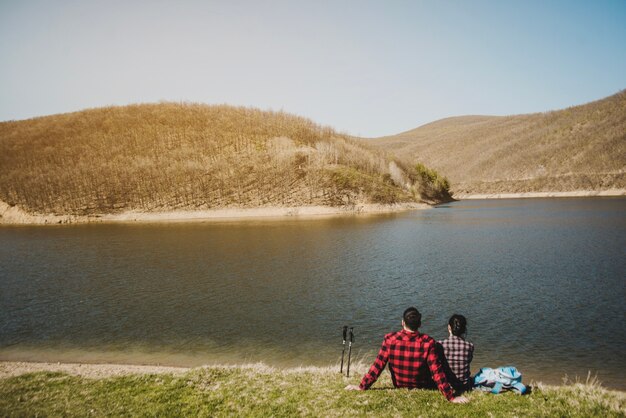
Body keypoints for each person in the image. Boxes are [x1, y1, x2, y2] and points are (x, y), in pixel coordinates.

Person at [345, 307, 469, 404]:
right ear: (420, 324)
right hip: (423, 385)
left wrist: (362, 386)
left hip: (399, 384)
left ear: (402, 323)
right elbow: (437, 373)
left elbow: (378, 366)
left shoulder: (390, 339)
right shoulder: (428, 342)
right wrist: (451, 397)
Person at [438, 314, 474, 392]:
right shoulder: (469, 346)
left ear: (449, 327)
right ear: (464, 329)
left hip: (447, 385)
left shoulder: (440, 345)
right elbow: (468, 361)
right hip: (464, 386)